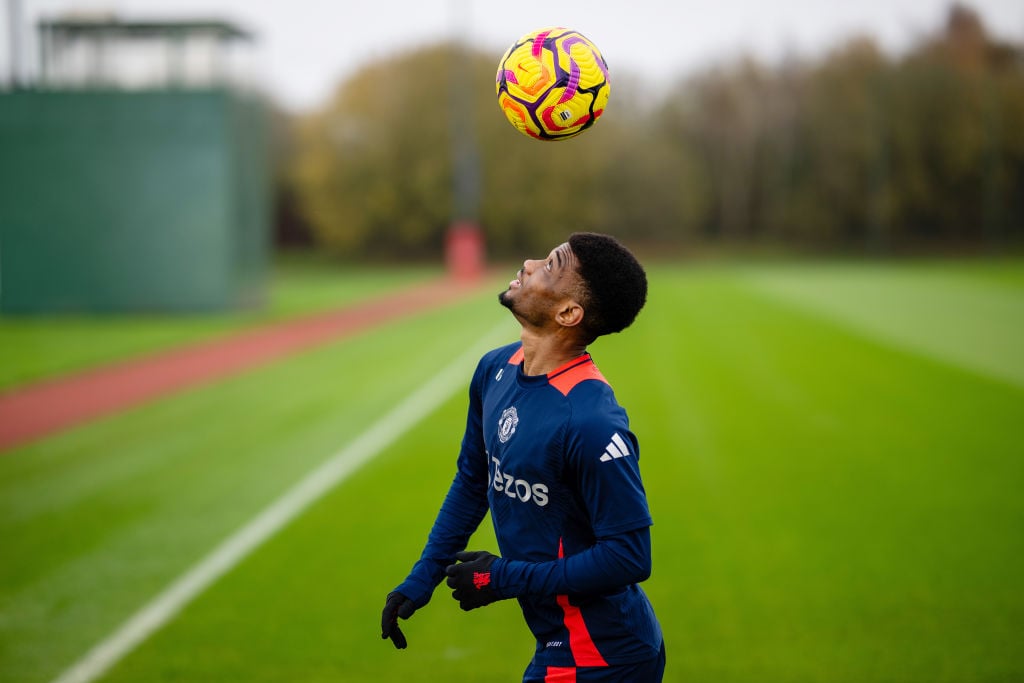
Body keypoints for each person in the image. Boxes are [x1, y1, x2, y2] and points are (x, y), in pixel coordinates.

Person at [381, 232, 665, 682]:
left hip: (605, 656)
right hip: (557, 644)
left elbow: (630, 557)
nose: (529, 263)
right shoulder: (495, 369)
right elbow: (475, 480)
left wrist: (503, 578)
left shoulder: (591, 421)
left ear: (568, 313)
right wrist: (424, 575)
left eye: (550, 266)